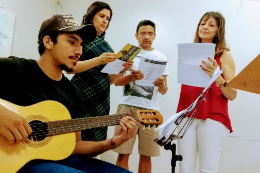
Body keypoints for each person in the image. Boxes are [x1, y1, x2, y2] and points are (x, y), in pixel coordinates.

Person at [0, 14, 136, 173]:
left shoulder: (73, 92)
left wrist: (112, 143)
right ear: (48, 42)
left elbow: (75, 146)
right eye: (72, 42)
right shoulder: (15, 68)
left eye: (81, 45)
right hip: (17, 162)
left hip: (60, 160)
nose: (79, 51)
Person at [177, 11, 237, 173]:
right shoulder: (188, 52)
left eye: (211, 25)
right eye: (202, 23)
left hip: (212, 117)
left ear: (219, 30)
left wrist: (217, 75)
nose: (205, 27)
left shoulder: (224, 55)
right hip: (186, 116)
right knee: (185, 169)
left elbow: (232, 94)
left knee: (208, 169)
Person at [68, 1, 133, 142]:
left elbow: (110, 80)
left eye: (108, 19)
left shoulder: (107, 47)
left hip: (102, 98)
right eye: (102, 16)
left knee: (96, 141)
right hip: (81, 94)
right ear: (91, 16)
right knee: (75, 140)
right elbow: (70, 68)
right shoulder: (79, 37)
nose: (105, 21)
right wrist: (98, 60)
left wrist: (121, 68)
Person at [112, 20, 169, 173]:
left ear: (155, 36)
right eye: (143, 33)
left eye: (150, 33)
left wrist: (161, 84)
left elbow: (164, 90)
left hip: (151, 111)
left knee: (146, 155)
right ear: (136, 35)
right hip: (127, 107)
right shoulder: (127, 53)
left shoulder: (161, 57)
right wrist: (130, 76)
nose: (146, 37)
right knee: (123, 153)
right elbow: (116, 82)